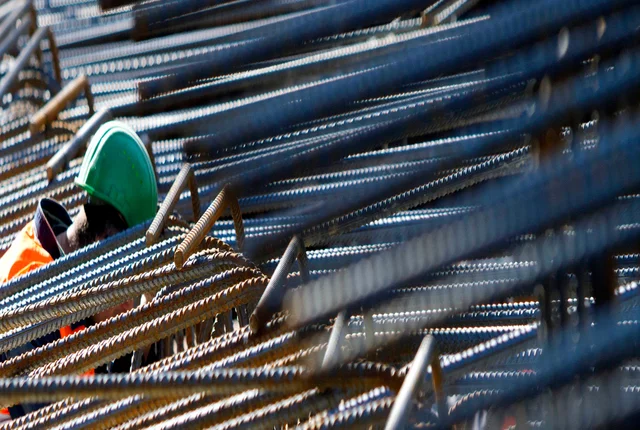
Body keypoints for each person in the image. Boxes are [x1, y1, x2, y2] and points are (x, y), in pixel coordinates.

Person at [0, 121, 158, 418]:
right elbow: (67, 419)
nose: (128, 305)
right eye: (126, 285)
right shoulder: (32, 297)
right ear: (102, 246)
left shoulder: (57, 267)